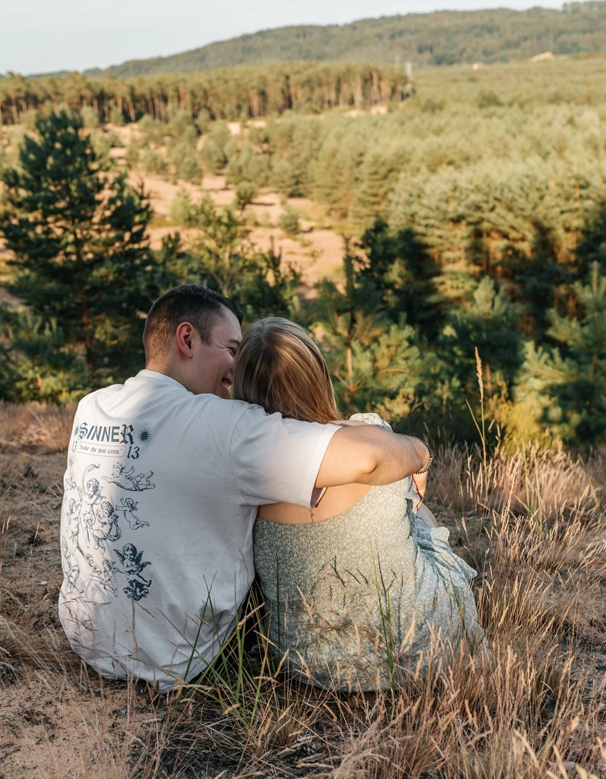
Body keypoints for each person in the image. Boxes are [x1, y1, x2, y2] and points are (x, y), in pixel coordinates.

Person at [59, 285, 430, 691]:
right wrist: (420, 453)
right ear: (187, 339)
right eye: (232, 349)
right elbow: (368, 459)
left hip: (88, 640)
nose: (236, 369)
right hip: (179, 661)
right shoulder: (225, 425)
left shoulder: (93, 406)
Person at [232, 317, 485, 692]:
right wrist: (419, 456)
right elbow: (403, 482)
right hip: (421, 646)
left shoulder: (239, 471)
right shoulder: (370, 433)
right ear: (317, 375)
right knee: (414, 512)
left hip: (308, 663)